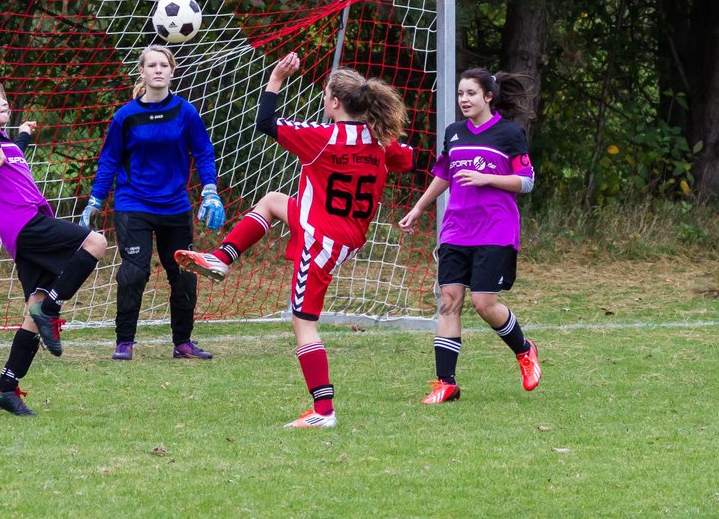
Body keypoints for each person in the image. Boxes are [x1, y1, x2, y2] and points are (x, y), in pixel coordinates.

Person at [176, 54, 414, 429]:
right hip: (345, 235)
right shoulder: (382, 142)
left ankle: (323, 411)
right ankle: (222, 257)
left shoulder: (324, 137)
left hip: (321, 238)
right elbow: (409, 158)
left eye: (325, 95)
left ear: (335, 102)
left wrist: (275, 78)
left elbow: (265, 122)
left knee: (303, 323)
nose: (323, 99)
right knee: (272, 200)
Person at [0, 77, 108, 416]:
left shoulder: (3, 143)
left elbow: (11, 149)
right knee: (96, 241)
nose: (4, 101)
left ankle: (5, 388)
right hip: (24, 224)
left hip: (25, 232)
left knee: (32, 310)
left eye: (4, 97)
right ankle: (52, 308)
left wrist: (21, 132)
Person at [399, 68, 541, 404]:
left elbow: (527, 181)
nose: (464, 100)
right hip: (456, 230)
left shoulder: (510, 134)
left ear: (488, 97)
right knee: (448, 302)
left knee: (483, 303)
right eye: (461, 94)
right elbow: (444, 174)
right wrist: (419, 207)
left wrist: (486, 178)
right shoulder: (454, 133)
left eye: (471, 94)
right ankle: (445, 383)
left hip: (496, 229)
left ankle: (524, 350)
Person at [80, 44, 224, 361]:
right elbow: (109, 161)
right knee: (134, 271)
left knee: (185, 273)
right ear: (142, 73)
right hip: (134, 204)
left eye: (163, 65)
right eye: (152, 65)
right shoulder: (125, 117)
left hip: (175, 206)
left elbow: (203, 152)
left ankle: (183, 343)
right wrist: (95, 200)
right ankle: (125, 342)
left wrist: (210, 189)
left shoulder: (186, 112)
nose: (158, 70)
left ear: (172, 71)